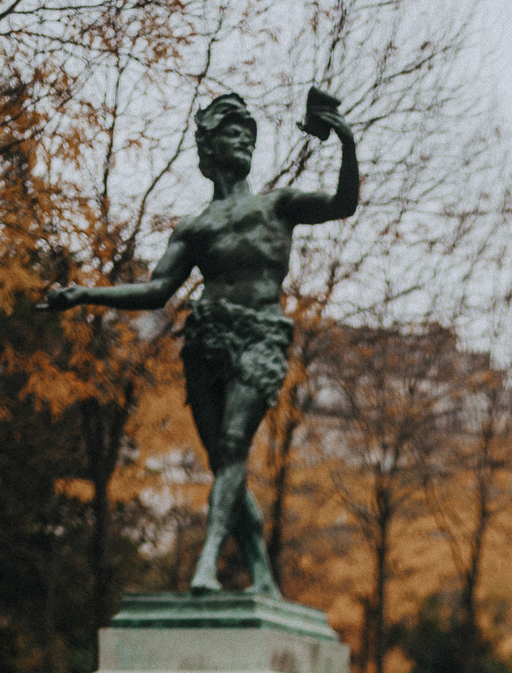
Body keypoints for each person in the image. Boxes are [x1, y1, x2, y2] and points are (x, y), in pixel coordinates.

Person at [45, 92, 360, 596]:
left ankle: (206, 562)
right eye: (234, 134)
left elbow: (343, 204)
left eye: (249, 136)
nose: (245, 143)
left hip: (261, 336)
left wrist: (344, 139)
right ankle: (262, 575)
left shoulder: (278, 206)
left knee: (235, 444)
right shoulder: (195, 227)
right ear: (211, 148)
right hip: (206, 341)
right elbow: (155, 291)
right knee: (224, 463)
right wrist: (86, 293)